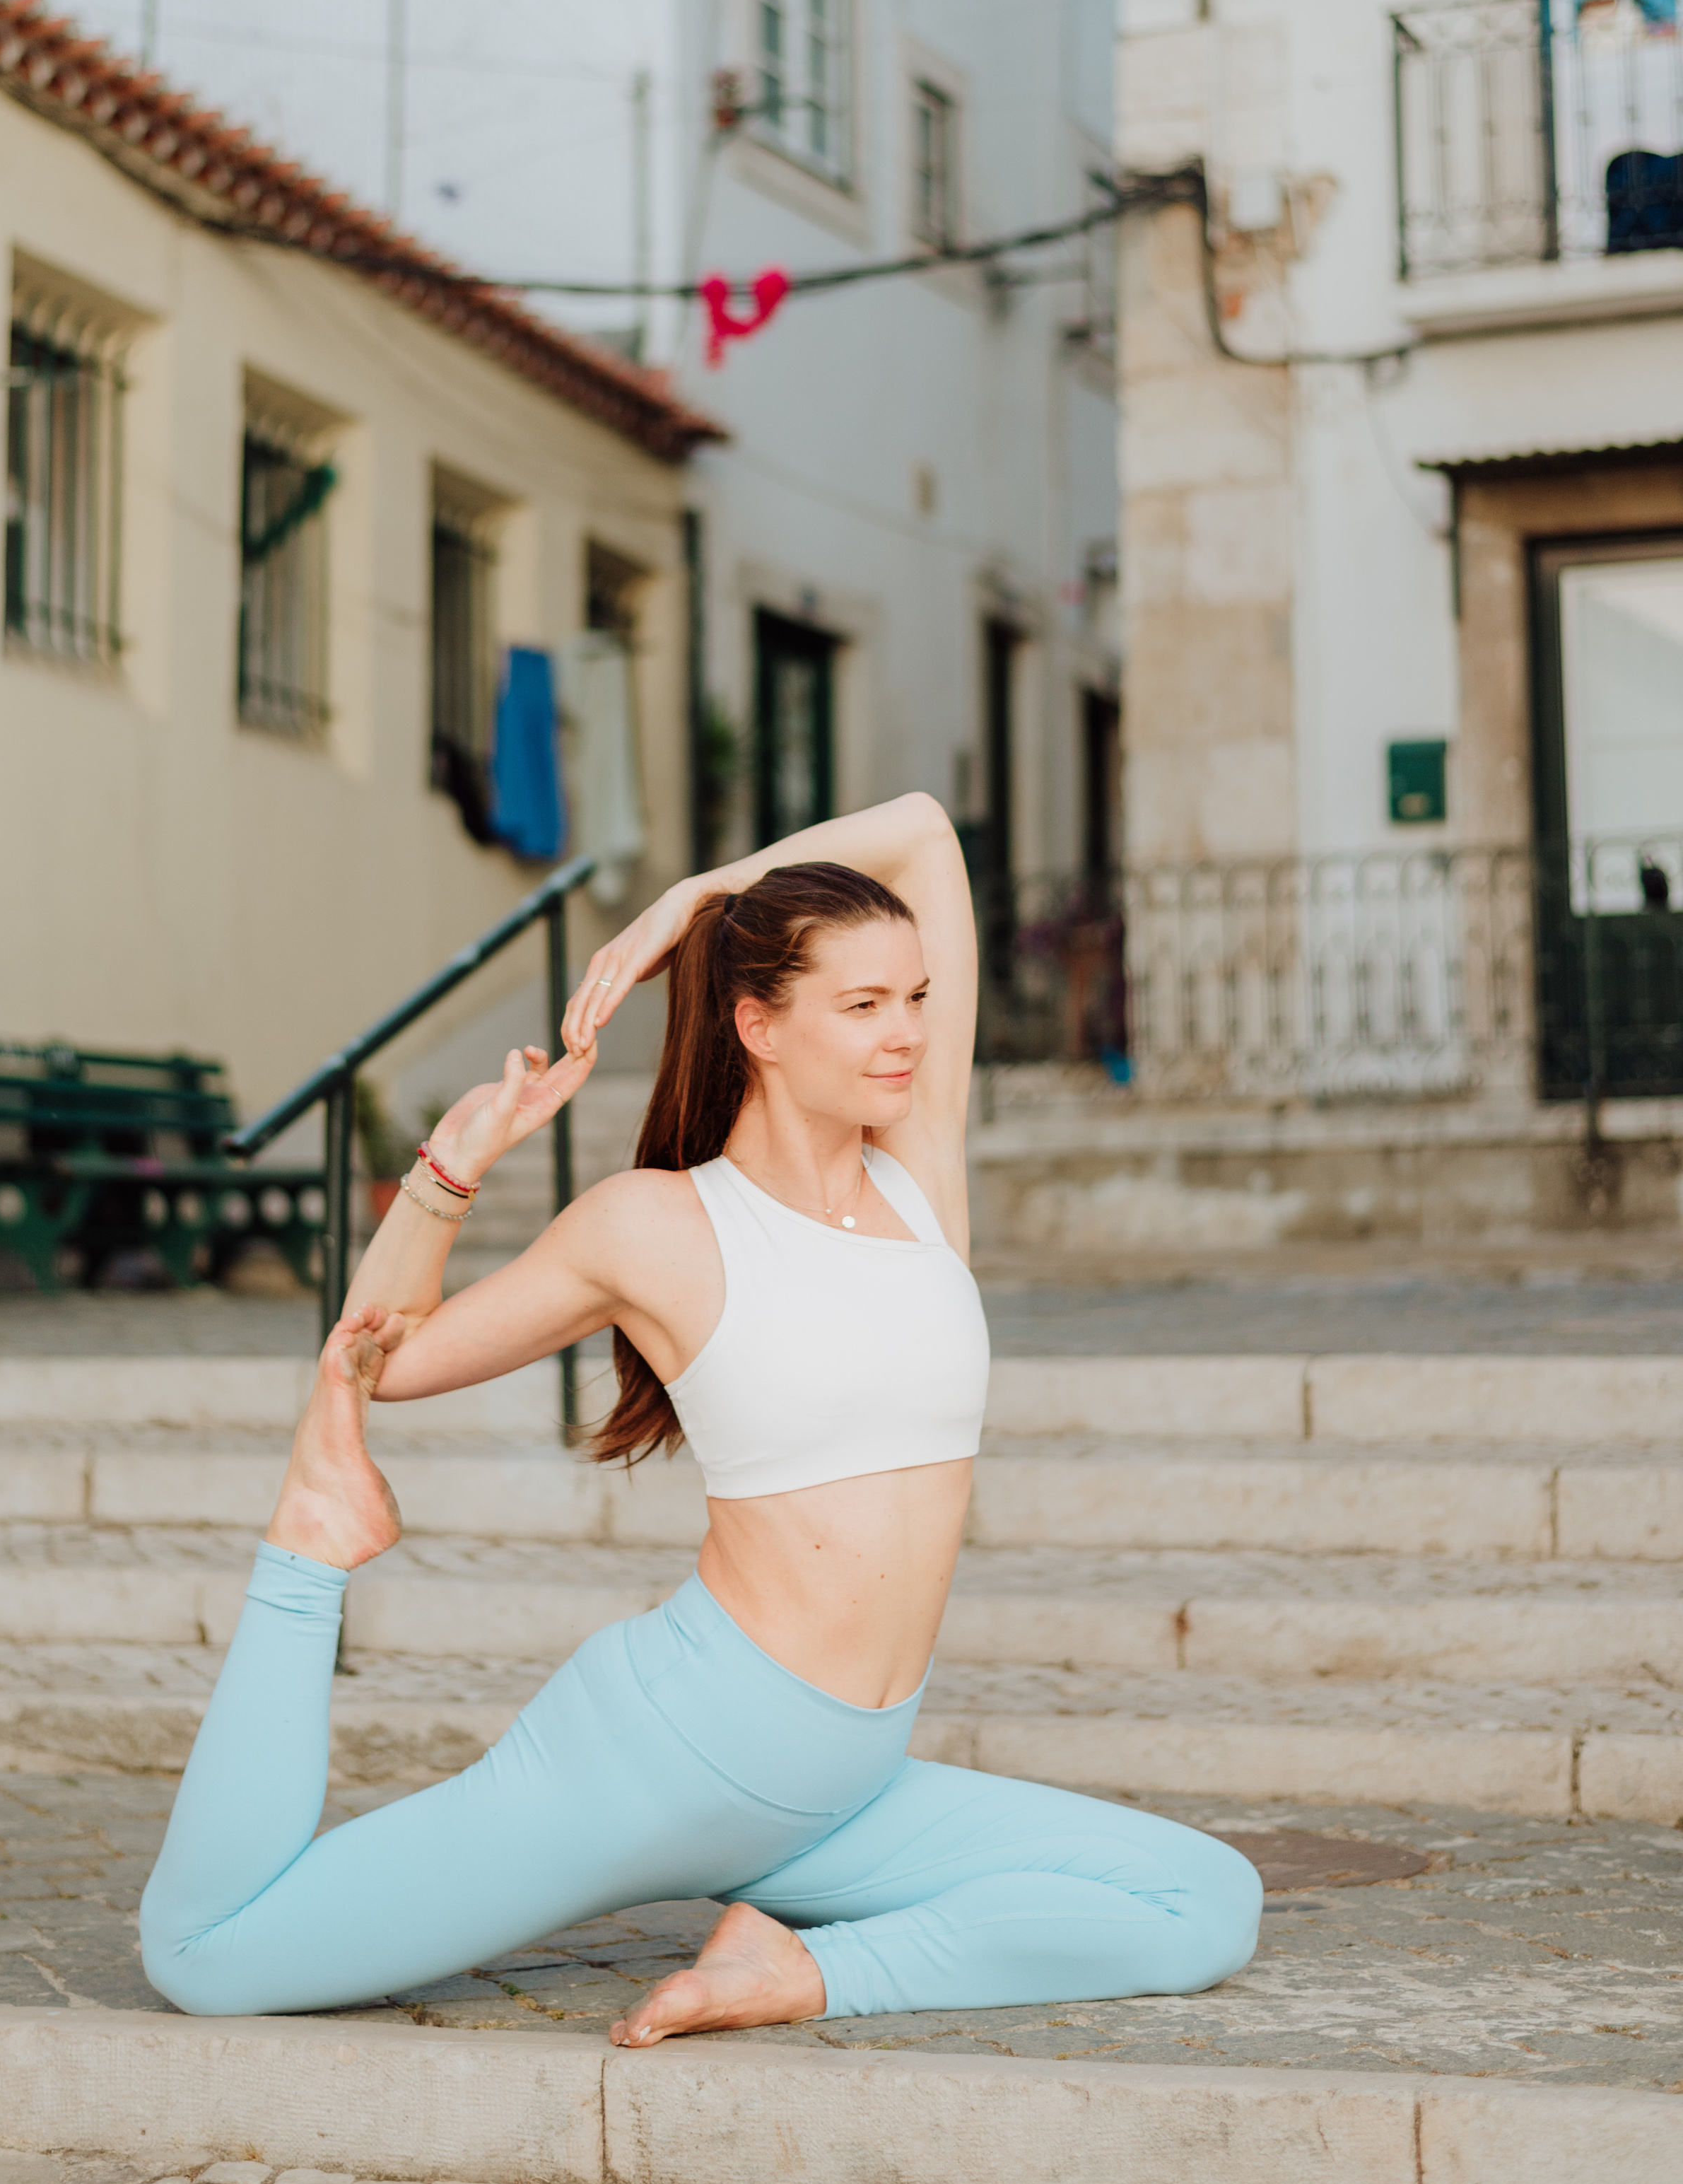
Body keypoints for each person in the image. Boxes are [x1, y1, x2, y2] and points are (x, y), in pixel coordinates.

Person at [139, 795, 1260, 2036]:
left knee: (1208, 1901)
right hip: (670, 1758)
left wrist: (696, 897)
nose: (906, 1033)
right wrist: (449, 1172)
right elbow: (381, 1360)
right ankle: (307, 1545)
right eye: (864, 1004)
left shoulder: (918, 1173)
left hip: (842, 1788)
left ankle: (790, 1972)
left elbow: (924, 832)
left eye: (917, 998)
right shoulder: (659, 1224)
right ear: (757, 1024)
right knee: (207, 1957)